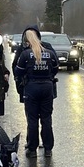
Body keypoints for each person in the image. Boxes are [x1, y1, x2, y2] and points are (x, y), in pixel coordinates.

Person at [15, 29, 59, 158]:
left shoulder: (25, 54)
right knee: (46, 118)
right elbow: (55, 69)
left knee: (32, 119)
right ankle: (48, 149)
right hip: (47, 87)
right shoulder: (50, 53)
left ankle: (32, 149)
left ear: (27, 41)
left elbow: (18, 72)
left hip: (31, 87)